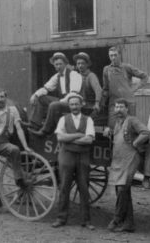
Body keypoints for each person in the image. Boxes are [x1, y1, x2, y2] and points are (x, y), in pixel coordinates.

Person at [0, 88, 32, 218]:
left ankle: (19, 179)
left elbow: (19, 129)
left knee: (14, 149)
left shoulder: (12, 111)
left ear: (6, 98)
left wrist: (25, 146)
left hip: (3, 142)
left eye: (2, 97)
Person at [103, 99, 150, 233]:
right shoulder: (117, 123)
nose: (118, 109)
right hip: (119, 159)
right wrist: (108, 130)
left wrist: (135, 144)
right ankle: (129, 224)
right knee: (122, 190)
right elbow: (115, 133)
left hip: (131, 157)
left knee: (123, 188)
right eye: (116, 107)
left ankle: (117, 219)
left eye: (121, 107)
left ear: (127, 109)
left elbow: (145, 132)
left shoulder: (132, 120)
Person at [51, 94, 95, 230]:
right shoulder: (63, 119)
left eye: (77, 104)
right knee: (64, 187)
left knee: (83, 188)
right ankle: (61, 218)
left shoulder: (88, 120)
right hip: (66, 157)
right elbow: (60, 137)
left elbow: (89, 139)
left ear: (81, 105)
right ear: (69, 106)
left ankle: (86, 221)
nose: (74, 107)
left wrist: (69, 140)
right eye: (72, 104)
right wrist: (78, 136)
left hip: (82, 157)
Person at [29, 52, 82, 135]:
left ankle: (45, 130)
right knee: (41, 98)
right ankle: (34, 124)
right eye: (56, 64)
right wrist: (35, 95)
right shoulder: (57, 76)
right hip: (62, 101)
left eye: (60, 64)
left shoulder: (73, 74)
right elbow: (46, 88)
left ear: (65, 64)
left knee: (53, 105)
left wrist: (60, 102)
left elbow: (73, 94)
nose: (58, 66)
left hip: (73, 103)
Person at [102, 47, 148, 118]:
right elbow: (106, 89)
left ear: (120, 55)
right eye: (111, 56)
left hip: (128, 103)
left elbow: (144, 76)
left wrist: (134, 88)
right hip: (114, 104)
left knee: (129, 125)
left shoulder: (127, 67)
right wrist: (101, 102)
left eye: (115, 55)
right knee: (113, 125)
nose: (113, 58)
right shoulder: (106, 70)